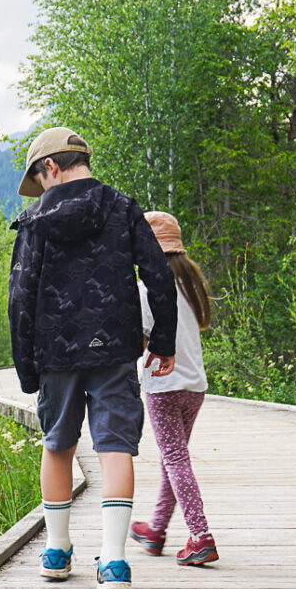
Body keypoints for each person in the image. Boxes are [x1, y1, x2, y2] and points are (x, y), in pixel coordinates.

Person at [8, 127, 177, 589]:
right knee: (115, 446)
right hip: (115, 349)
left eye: (39, 179)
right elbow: (158, 274)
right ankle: (116, 563)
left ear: (51, 168)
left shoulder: (36, 219)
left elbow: (21, 295)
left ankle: (57, 552)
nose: (40, 189)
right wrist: (163, 341)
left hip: (55, 353)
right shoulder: (123, 208)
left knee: (58, 444)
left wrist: (26, 366)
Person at [129, 212, 219, 566]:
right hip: (195, 385)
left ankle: (201, 536)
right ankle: (156, 529)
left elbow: (138, 340)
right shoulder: (191, 282)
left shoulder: (147, 288)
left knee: (175, 459)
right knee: (174, 459)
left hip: (163, 386)